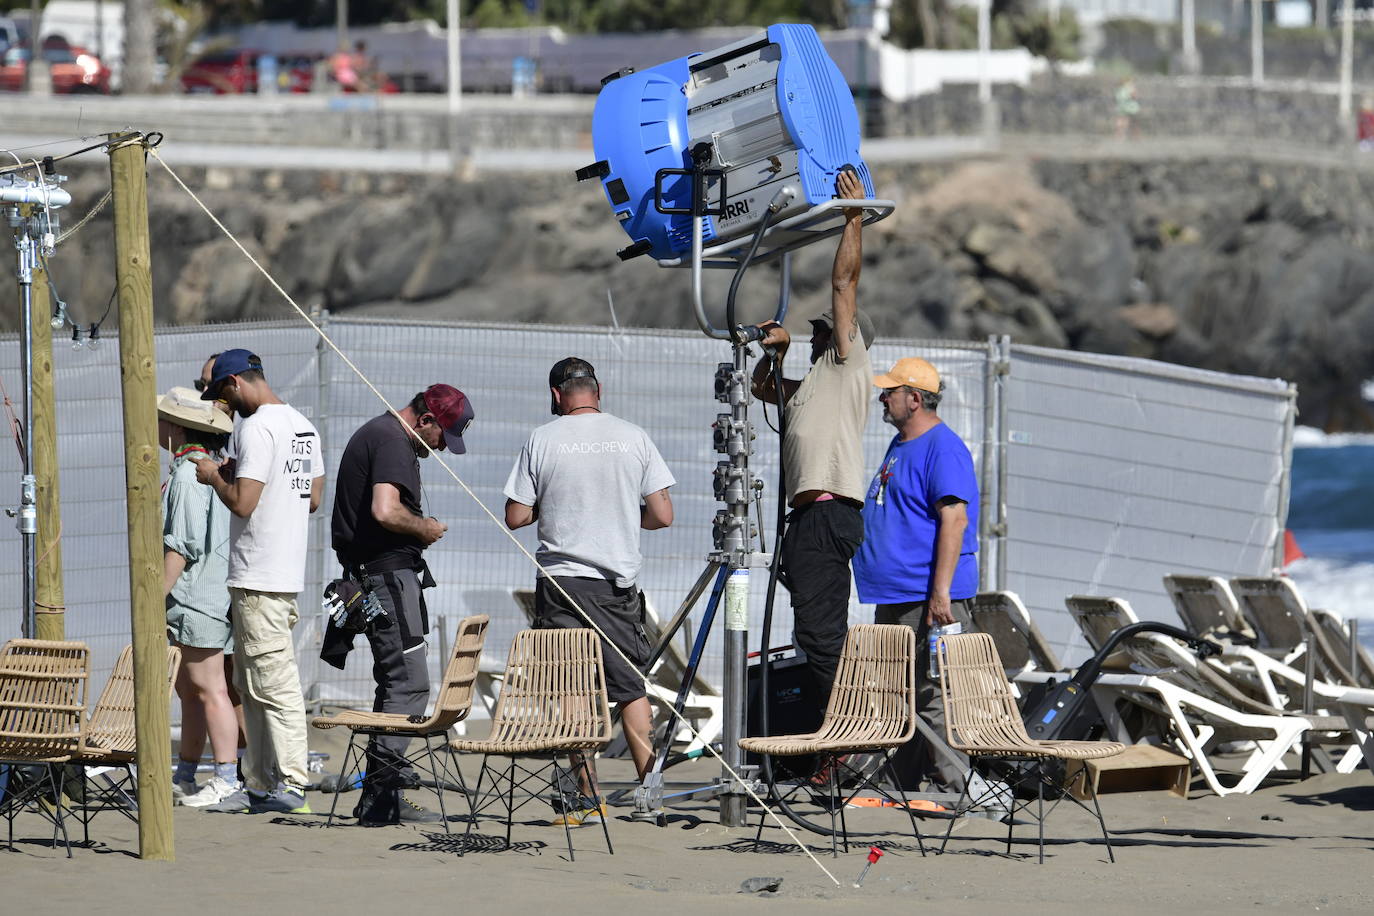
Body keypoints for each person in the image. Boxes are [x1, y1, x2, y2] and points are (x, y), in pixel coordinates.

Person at [503, 357, 674, 825]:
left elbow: (516, 516)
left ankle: (589, 796)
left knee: (574, 686)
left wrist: (554, 508)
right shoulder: (633, 435)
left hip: (560, 581)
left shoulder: (542, 438)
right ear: (598, 390)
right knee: (629, 687)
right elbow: (662, 515)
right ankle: (649, 793)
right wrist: (619, 517)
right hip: (613, 585)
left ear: (557, 394)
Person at [750, 168, 873, 708]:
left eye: (826, 328)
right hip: (806, 519)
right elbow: (762, 389)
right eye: (819, 328)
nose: (818, 333)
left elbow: (844, 285)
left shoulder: (847, 365)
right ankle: (837, 734)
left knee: (823, 638)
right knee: (811, 632)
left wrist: (853, 217)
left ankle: (851, 734)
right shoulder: (810, 383)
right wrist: (773, 354)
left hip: (826, 512)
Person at [330, 384, 474, 826]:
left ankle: (380, 792)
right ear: (426, 420)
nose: (440, 449)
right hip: (387, 577)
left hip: (377, 575)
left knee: (394, 681)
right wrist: (424, 528)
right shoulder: (393, 439)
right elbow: (386, 510)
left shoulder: (383, 434)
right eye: (440, 437)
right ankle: (382, 797)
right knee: (409, 683)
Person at [193, 349, 324, 814]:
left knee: (275, 684)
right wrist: (244, 479)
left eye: (221, 394)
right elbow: (312, 496)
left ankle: (291, 783)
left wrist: (214, 477)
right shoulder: (303, 424)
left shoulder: (255, 427)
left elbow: (244, 504)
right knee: (253, 684)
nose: (223, 405)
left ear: (234, 383)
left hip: (259, 573)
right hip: (282, 570)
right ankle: (264, 783)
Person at [852, 357, 979, 791]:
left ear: (915, 398)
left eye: (890, 391)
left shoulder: (942, 447)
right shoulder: (902, 444)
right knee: (896, 691)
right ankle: (902, 782)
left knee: (933, 691)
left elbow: (955, 521)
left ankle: (954, 786)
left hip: (926, 597)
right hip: (896, 592)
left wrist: (940, 594)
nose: (882, 398)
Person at [157, 387, 242, 809]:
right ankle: (187, 774)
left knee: (210, 689)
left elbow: (182, 546)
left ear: (177, 427)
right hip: (201, 598)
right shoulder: (198, 470)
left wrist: (154, 596)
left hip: (197, 600)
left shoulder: (189, 476)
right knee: (192, 691)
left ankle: (226, 777)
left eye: (161, 418)